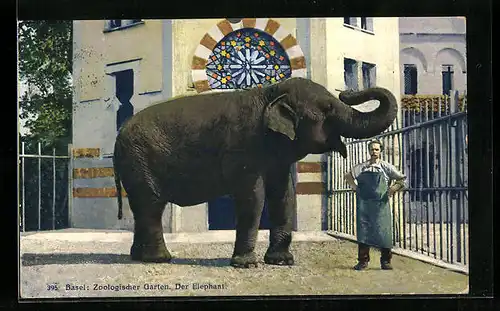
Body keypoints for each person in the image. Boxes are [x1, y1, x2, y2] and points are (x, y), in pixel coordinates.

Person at [344, 139, 407, 270]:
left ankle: (385, 261)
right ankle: (363, 261)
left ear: (381, 151)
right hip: (364, 204)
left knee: (384, 232)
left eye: (377, 149)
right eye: (372, 149)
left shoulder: (386, 166)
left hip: (381, 205)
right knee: (364, 232)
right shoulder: (362, 167)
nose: (374, 152)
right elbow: (348, 176)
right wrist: (355, 187)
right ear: (369, 151)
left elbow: (401, 179)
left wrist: (392, 189)